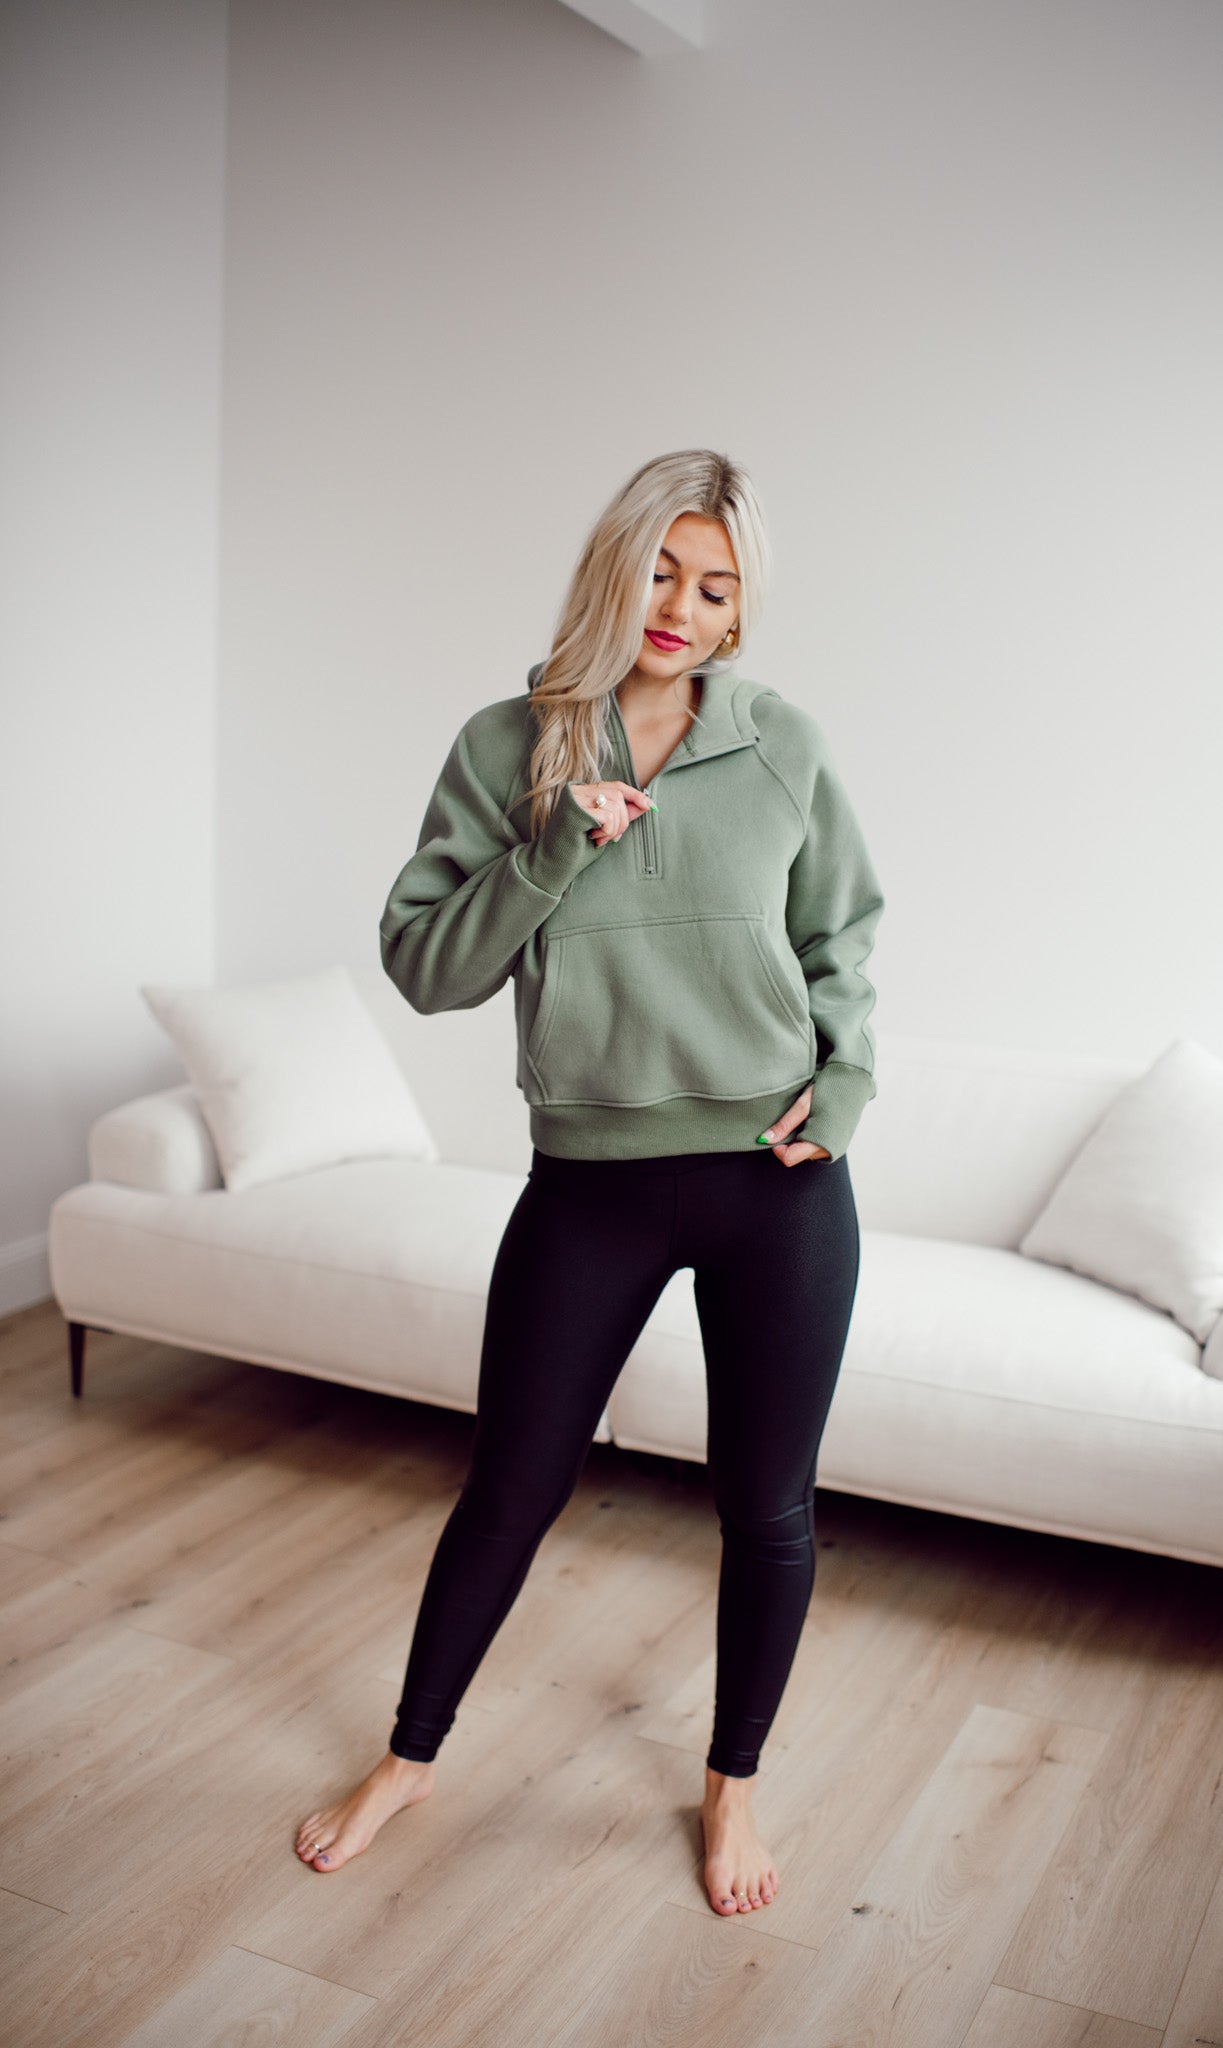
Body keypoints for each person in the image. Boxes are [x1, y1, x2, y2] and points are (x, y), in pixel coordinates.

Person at [294, 449, 884, 1917]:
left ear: (742, 608)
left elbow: (842, 941)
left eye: (716, 587)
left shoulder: (782, 745)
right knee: (509, 1489)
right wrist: (552, 847)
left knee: (769, 1508)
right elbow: (425, 966)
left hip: (774, 1183)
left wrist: (848, 1088)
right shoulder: (508, 747)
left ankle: (731, 1789)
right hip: (590, 1185)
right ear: (612, 572)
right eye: (660, 572)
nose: (681, 608)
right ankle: (409, 1760)